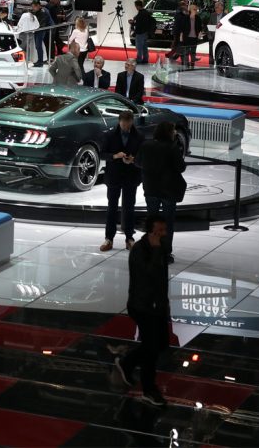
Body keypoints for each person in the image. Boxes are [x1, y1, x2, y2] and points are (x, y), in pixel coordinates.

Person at [114, 218, 171, 407]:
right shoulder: (140, 250)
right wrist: (156, 250)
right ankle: (149, 389)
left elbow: (161, 279)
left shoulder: (160, 246)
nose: (163, 233)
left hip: (157, 306)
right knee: (151, 349)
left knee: (160, 344)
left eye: (164, 230)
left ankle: (127, 363)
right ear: (150, 231)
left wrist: (165, 304)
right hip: (143, 307)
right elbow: (149, 274)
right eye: (159, 230)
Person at [137, 122, 186, 263]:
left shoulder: (146, 145)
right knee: (167, 223)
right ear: (168, 132)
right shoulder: (172, 147)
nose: (175, 132)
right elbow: (181, 167)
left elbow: (138, 162)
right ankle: (165, 253)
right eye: (173, 130)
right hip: (168, 190)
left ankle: (150, 251)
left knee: (152, 221)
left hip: (150, 188)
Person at [100, 111, 142, 252]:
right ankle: (109, 238)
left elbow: (142, 156)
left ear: (132, 122)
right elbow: (102, 154)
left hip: (131, 176)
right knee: (112, 207)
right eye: (123, 125)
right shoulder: (109, 135)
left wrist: (133, 160)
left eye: (128, 125)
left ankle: (129, 238)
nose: (125, 127)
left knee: (129, 208)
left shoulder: (139, 136)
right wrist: (115, 156)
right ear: (119, 122)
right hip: (114, 176)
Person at [130, 0, 155, 65]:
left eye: (135, 6)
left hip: (140, 32)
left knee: (139, 47)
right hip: (145, 32)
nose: (135, 7)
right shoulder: (146, 12)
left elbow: (139, 24)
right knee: (144, 47)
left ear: (138, 6)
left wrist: (132, 23)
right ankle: (145, 59)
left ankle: (139, 59)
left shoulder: (141, 14)